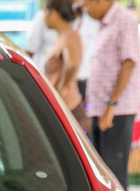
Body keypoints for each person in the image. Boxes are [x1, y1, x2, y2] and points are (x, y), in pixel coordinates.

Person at [84, 0, 140, 191]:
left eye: (85, 4)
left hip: (116, 109)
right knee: (102, 175)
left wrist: (112, 103)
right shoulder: (104, 24)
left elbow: (129, 61)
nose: (85, 9)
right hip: (102, 108)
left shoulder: (125, 20)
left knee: (113, 176)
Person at [44, 0, 90, 131]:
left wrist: (61, 90)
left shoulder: (69, 37)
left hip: (68, 107)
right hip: (66, 107)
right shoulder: (67, 36)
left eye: (45, 13)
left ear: (53, 14)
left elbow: (73, 64)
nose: (44, 18)